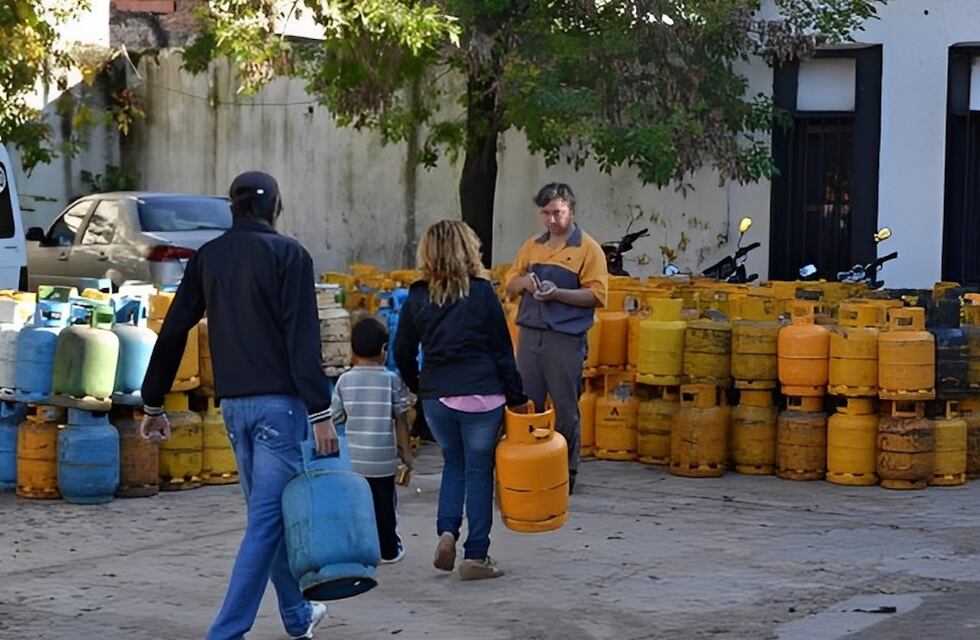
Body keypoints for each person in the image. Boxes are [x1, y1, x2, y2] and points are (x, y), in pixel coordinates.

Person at [140, 171, 336, 640]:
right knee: (267, 523)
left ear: (232, 208)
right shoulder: (291, 255)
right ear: (275, 209)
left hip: (233, 410)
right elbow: (301, 338)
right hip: (280, 411)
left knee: (268, 520)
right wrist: (321, 411)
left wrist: (152, 402)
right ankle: (225, 633)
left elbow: (173, 330)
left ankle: (297, 616)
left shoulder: (209, 258)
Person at [394, 220, 527, 581]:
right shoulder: (483, 292)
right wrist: (517, 398)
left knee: (453, 465)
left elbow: (402, 350)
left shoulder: (418, 295)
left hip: (438, 397)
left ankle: (447, 533)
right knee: (479, 472)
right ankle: (476, 555)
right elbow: (502, 352)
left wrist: (419, 384)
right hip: (483, 395)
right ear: (469, 249)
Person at [504, 183, 608, 494]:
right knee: (528, 403)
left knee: (565, 405)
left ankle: (566, 471)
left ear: (571, 211)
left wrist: (558, 293)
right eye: (547, 213)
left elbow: (598, 295)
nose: (552, 220)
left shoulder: (588, 249)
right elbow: (509, 284)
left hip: (565, 337)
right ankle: (530, 465)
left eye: (558, 213)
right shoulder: (532, 246)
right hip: (530, 335)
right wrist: (525, 282)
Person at [331, 315, 413, 563]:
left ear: (353, 350)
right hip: (383, 461)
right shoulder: (391, 380)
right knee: (385, 507)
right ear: (384, 350)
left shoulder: (344, 381)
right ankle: (388, 550)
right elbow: (401, 419)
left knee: (358, 507)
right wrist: (406, 454)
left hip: (354, 461)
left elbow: (334, 417)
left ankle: (359, 549)